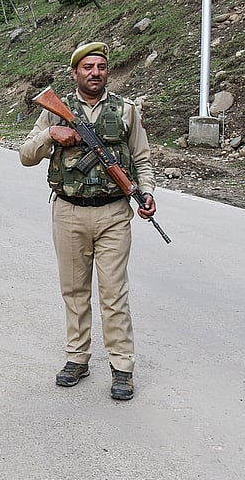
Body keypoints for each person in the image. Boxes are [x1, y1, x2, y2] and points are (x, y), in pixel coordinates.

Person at [18, 41, 157, 401]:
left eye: (101, 67)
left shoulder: (126, 110)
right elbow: (25, 156)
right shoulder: (55, 111)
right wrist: (51, 135)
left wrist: (147, 193)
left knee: (114, 293)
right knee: (74, 291)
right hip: (68, 211)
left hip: (113, 212)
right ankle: (77, 358)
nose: (95, 72)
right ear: (75, 72)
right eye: (88, 67)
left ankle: (122, 367)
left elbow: (142, 158)